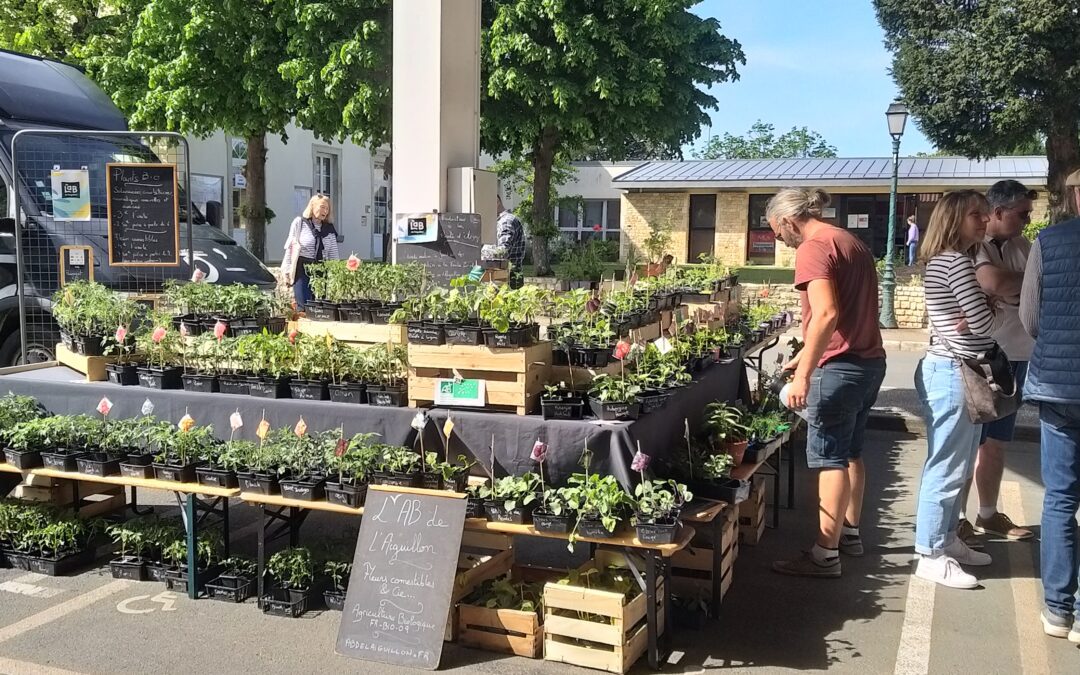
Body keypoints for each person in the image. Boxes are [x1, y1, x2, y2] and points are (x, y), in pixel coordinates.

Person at [766, 188, 886, 578]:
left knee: (829, 459)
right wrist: (807, 355)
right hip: (869, 362)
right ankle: (849, 533)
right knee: (851, 452)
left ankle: (824, 554)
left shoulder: (813, 248)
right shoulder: (849, 241)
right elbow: (849, 311)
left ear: (787, 221)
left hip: (840, 371)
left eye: (776, 232)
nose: (779, 241)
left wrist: (804, 374)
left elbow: (827, 313)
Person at [914, 190, 1004, 589]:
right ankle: (930, 552)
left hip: (953, 371)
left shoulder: (949, 262)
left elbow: (981, 320)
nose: (985, 221)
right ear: (954, 219)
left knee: (960, 463)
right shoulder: (955, 263)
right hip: (953, 372)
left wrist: (985, 306)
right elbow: (984, 327)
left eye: (985, 215)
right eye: (976, 215)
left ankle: (947, 540)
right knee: (948, 468)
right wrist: (989, 304)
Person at [956, 180, 1036, 546]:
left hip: (1018, 357)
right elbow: (990, 281)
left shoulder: (1023, 246)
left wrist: (1016, 287)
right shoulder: (977, 247)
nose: (1028, 218)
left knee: (996, 444)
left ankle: (987, 515)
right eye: (1022, 213)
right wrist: (1026, 285)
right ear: (999, 212)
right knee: (969, 443)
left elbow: (1022, 286)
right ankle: (955, 520)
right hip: (984, 359)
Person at [1021, 168, 1080, 642]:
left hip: (1058, 385)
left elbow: (1031, 316)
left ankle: (1058, 609)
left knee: (1060, 498)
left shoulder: (1049, 242)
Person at [282, 194, 341, 311]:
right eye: (322, 207)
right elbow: (290, 248)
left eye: (327, 208)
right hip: (302, 267)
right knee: (303, 305)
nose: (325, 211)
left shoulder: (329, 229)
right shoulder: (300, 223)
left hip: (321, 268)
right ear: (312, 206)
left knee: (319, 305)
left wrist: (336, 274)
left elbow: (334, 254)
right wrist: (287, 269)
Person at [496, 194, 525, 289]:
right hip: (511, 274)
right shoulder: (505, 220)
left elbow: (503, 250)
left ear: (496, 202)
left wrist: (484, 250)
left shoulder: (506, 221)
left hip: (509, 275)